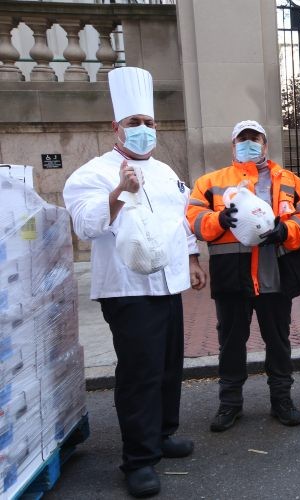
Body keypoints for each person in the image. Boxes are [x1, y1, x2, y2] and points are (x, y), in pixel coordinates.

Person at [63, 67, 207, 498]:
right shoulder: (92, 173)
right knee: (140, 373)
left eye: (148, 123)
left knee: (167, 365)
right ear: (116, 128)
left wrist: (194, 258)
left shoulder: (165, 171)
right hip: (127, 289)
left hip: (168, 284)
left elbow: (180, 220)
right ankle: (138, 460)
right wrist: (119, 192)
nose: (143, 130)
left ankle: (162, 434)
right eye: (134, 123)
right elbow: (87, 226)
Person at [186, 120, 300, 432]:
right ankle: (229, 403)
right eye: (242, 139)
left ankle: (282, 400)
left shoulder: (291, 182)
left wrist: (285, 229)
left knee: (278, 341)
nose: (249, 144)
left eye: (254, 138)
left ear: (265, 144)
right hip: (232, 275)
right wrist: (219, 218)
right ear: (233, 146)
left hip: (276, 273)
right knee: (231, 343)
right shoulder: (210, 182)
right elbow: (194, 220)